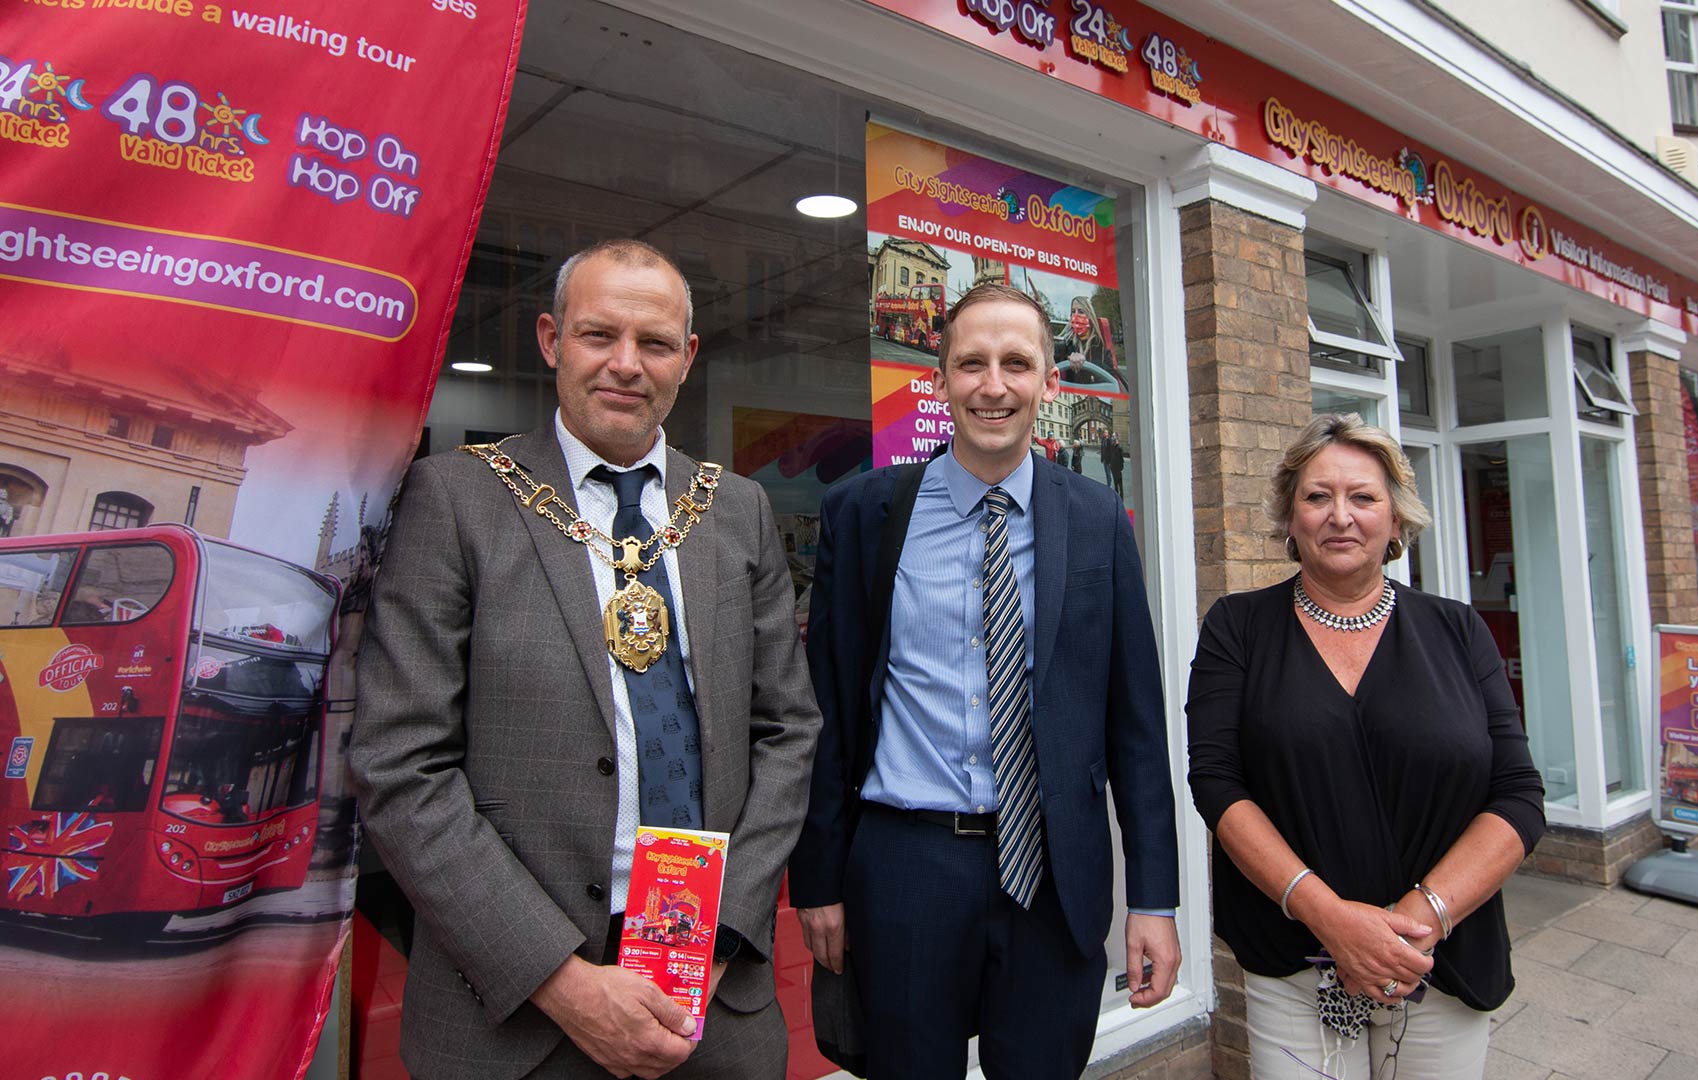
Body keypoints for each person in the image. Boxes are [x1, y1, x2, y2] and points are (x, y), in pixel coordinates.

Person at [350, 239, 820, 1080]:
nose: (626, 366)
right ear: (550, 338)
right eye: (599, 335)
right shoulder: (457, 499)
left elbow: (787, 730)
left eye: (656, 343)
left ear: (689, 357)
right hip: (515, 1017)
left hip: (712, 997)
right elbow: (401, 765)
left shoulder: (736, 508)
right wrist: (560, 982)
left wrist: (724, 933)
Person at [792, 283, 1182, 1078]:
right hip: (907, 869)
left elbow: (1136, 730)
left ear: (1049, 381)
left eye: (1016, 363)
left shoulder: (1099, 520)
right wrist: (818, 878)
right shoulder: (864, 515)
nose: (993, 385)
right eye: (971, 363)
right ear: (939, 381)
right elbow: (825, 709)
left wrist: (1154, 899)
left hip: (1055, 874)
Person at [1185, 413, 1544, 1079]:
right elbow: (1216, 781)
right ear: (1289, 520)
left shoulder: (1459, 631)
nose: (1340, 516)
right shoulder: (1237, 628)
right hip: (1295, 964)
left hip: (1437, 961)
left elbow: (1519, 796)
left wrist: (1415, 921)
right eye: (1318, 497)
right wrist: (1333, 921)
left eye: (1363, 497)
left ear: (1397, 520)